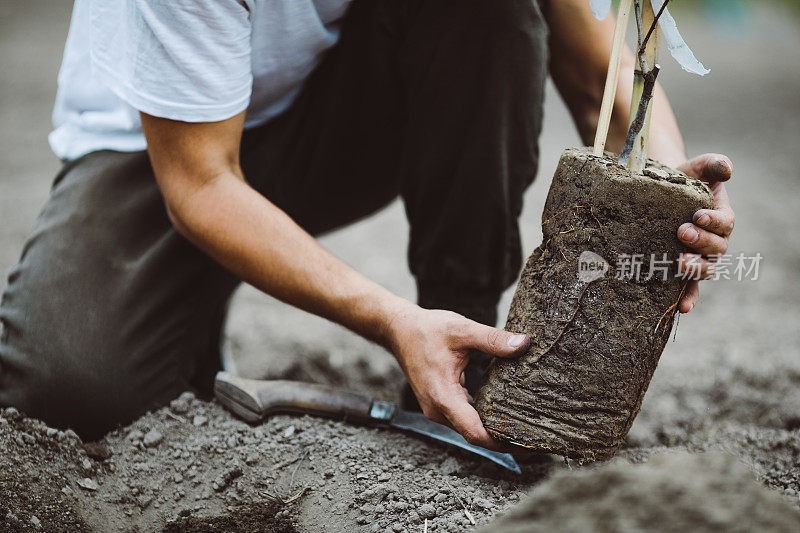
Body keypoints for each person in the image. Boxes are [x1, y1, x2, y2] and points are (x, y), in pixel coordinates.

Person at [0, 0, 734, 445]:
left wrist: (672, 193)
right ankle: (192, 305)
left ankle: (466, 353)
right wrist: (392, 319)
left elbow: (591, 69)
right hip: (166, 153)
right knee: (70, 390)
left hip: (332, 119)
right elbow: (199, 184)